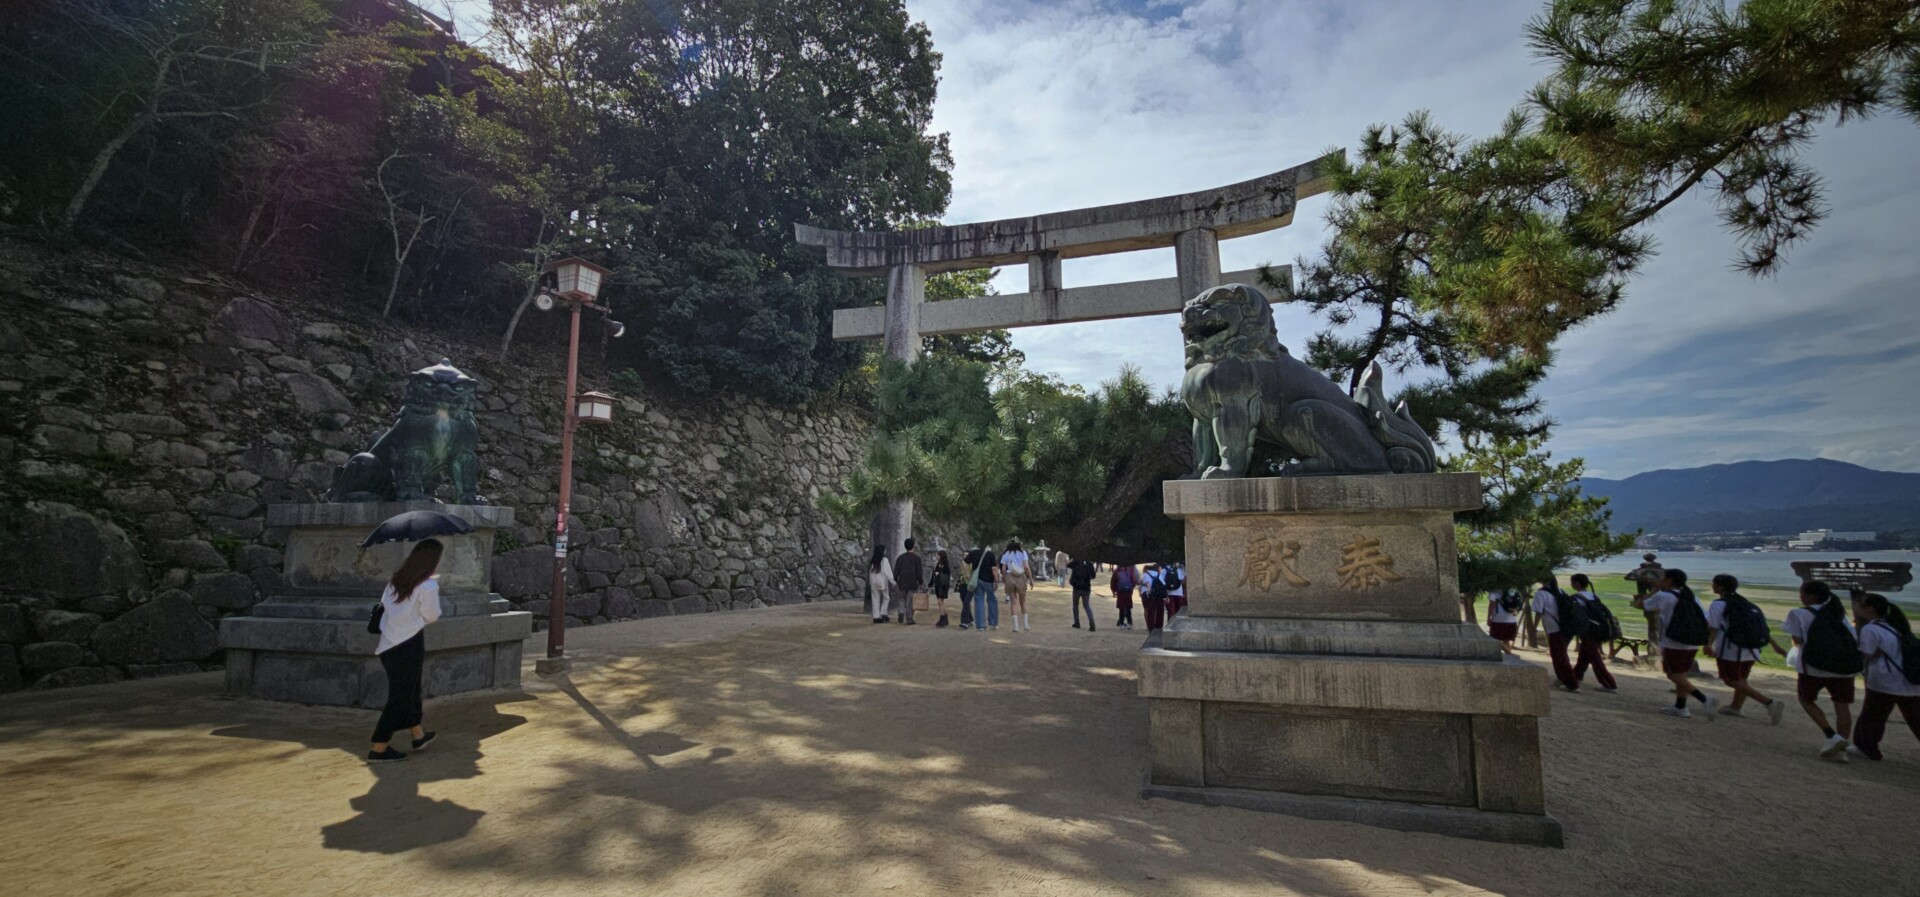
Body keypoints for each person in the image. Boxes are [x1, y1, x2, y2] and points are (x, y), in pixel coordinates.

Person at [369, 539, 444, 763]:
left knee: (408, 690)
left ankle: (417, 734)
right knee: (401, 696)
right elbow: (432, 616)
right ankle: (379, 747)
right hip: (410, 642)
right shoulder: (428, 586)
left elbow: (385, 605)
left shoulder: (396, 580)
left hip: (389, 643)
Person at [1779, 580, 1859, 760]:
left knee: (1806, 699)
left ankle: (1831, 735)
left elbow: (1797, 641)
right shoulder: (1838, 613)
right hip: (1844, 667)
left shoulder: (1798, 613)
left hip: (1813, 666)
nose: (1800, 596)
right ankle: (1841, 750)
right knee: (1842, 706)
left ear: (1810, 596)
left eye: (1802, 593)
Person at [1634, 568, 1721, 720]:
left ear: (1669, 580)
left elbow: (1640, 604)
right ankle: (1681, 707)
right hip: (1691, 642)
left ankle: (1705, 699)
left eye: (1663, 578)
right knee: (1681, 675)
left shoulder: (1663, 595)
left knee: (1673, 675)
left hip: (1673, 642)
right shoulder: (1690, 596)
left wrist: (1655, 589)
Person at [1703, 574, 1785, 724]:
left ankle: (1769, 703)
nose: (1712, 586)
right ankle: (1735, 707)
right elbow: (1761, 628)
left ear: (1720, 587)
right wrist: (1775, 645)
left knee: (1731, 680)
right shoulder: (1747, 604)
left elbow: (1713, 627)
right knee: (1742, 679)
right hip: (1752, 649)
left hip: (1731, 649)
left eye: (1714, 584)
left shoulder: (1718, 604)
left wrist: (1708, 645)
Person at [1850, 592, 1920, 761]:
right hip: (1909, 679)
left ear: (1871, 609)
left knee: (1872, 716)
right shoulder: (1896, 626)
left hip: (1884, 680)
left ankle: (1866, 748)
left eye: (1860, 604)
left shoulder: (1870, 629)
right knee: (1915, 717)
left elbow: (1867, 655)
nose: (1857, 607)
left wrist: (1864, 674)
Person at [1568, 574, 1617, 691]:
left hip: (1588, 631)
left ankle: (1609, 683)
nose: (1571, 584)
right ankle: (1576, 676)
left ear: (1577, 584)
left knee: (1595, 658)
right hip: (1600, 630)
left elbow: (1577, 616)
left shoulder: (1577, 598)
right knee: (1584, 655)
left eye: (1572, 582)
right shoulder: (1593, 596)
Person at [1533, 575, 1580, 692]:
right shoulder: (1560, 591)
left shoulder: (1541, 593)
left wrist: (1534, 627)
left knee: (1560, 656)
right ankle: (1562, 679)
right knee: (1558, 655)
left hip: (1554, 628)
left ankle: (1572, 684)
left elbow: (1538, 612)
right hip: (1565, 627)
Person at [965, 543, 999, 631]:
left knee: (979, 601)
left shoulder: (973, 553)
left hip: (977, 580)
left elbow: (964, 562)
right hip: (989, 580)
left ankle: (980, 625)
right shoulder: (990, 554)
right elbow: (994, 569)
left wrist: (967, 573)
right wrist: (996, 580)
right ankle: (993, 624)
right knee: (992, 600)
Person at [1001, 539, 1032, 632]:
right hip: (1021, 577)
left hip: (1010, 577)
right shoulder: (1023, 553)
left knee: (1013, 602)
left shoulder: (1006, 554)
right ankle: (1026, 624)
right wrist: (1030, 579)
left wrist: (1004, 579)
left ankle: (1015, 626)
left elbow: (1003, 569)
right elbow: (1026, 567)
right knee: (1023, 602)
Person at [892, 538, 924, 626]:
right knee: (910, 601)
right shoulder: (917, 558)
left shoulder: (900, 558)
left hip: (902, 581)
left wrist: (896, 580)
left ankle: (901, 612)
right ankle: (909, 618)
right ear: (913, 546)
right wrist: (921, 582)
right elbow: (919, 572)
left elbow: (896, 571)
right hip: (912, 582)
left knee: (901, 598)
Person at [1486, 588, 1521, 654]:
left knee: (1494, 640)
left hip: (1498, 620)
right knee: (1506, 641)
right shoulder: (1513, 589)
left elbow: (1492, 604)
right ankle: (1509, 655)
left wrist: (1489, 618)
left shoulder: (1495, 591)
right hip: (1512, 620)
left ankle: (1510, 654)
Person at [1068, 557, 1098, 631]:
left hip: (1076, 587)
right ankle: (1092, 623)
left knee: (1075, 605)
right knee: (1087, 606)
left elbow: (1068, 565)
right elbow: (1093, 576)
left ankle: (1077, 622)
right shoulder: (1089, 563)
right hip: (1086, 588)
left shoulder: (1076, 562)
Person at [867, 544, 894, 624]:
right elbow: (888, 573)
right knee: (886, 597)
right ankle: (883, 613)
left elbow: (870, 573)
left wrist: (870, 583)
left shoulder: (873, 561)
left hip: (874, 582)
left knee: (875, 599)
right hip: (882, 582)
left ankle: (876, 616)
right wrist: (893, 581)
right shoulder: (884, 560)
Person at [1141, 562, 1169, 633]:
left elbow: (1140, 583)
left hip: (1148, 595)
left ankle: (1150, 628)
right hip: (1158, 595)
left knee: (1149, 611)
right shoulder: (1158, 575)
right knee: (1159, 611)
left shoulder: (1145, 574)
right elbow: (1163, 585)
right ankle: (1158, 627)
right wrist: (1166, 596)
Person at [930, 549, 954, 628]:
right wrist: (931, 583)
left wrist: (938, 574)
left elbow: (946, 575)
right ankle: (943, 615)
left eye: (938, 555)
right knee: (940, 601)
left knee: (940, 601)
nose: (936, 556)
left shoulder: (946, 565)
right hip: (938, 584)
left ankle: (943, 616)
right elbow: (933, 574)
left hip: (943, 585)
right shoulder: (937, 564)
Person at [1111, 564, 1137, 630]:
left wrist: (1114, 591)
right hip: (1128, 592)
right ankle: (1129, 623)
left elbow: (1113, 582)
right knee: (1128, 607)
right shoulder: (1129, 570)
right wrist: (1131, 588)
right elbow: (1133, 581)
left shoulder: (1116, 571)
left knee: (1121, 608)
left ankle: (1121, 623)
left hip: (1120, 592)